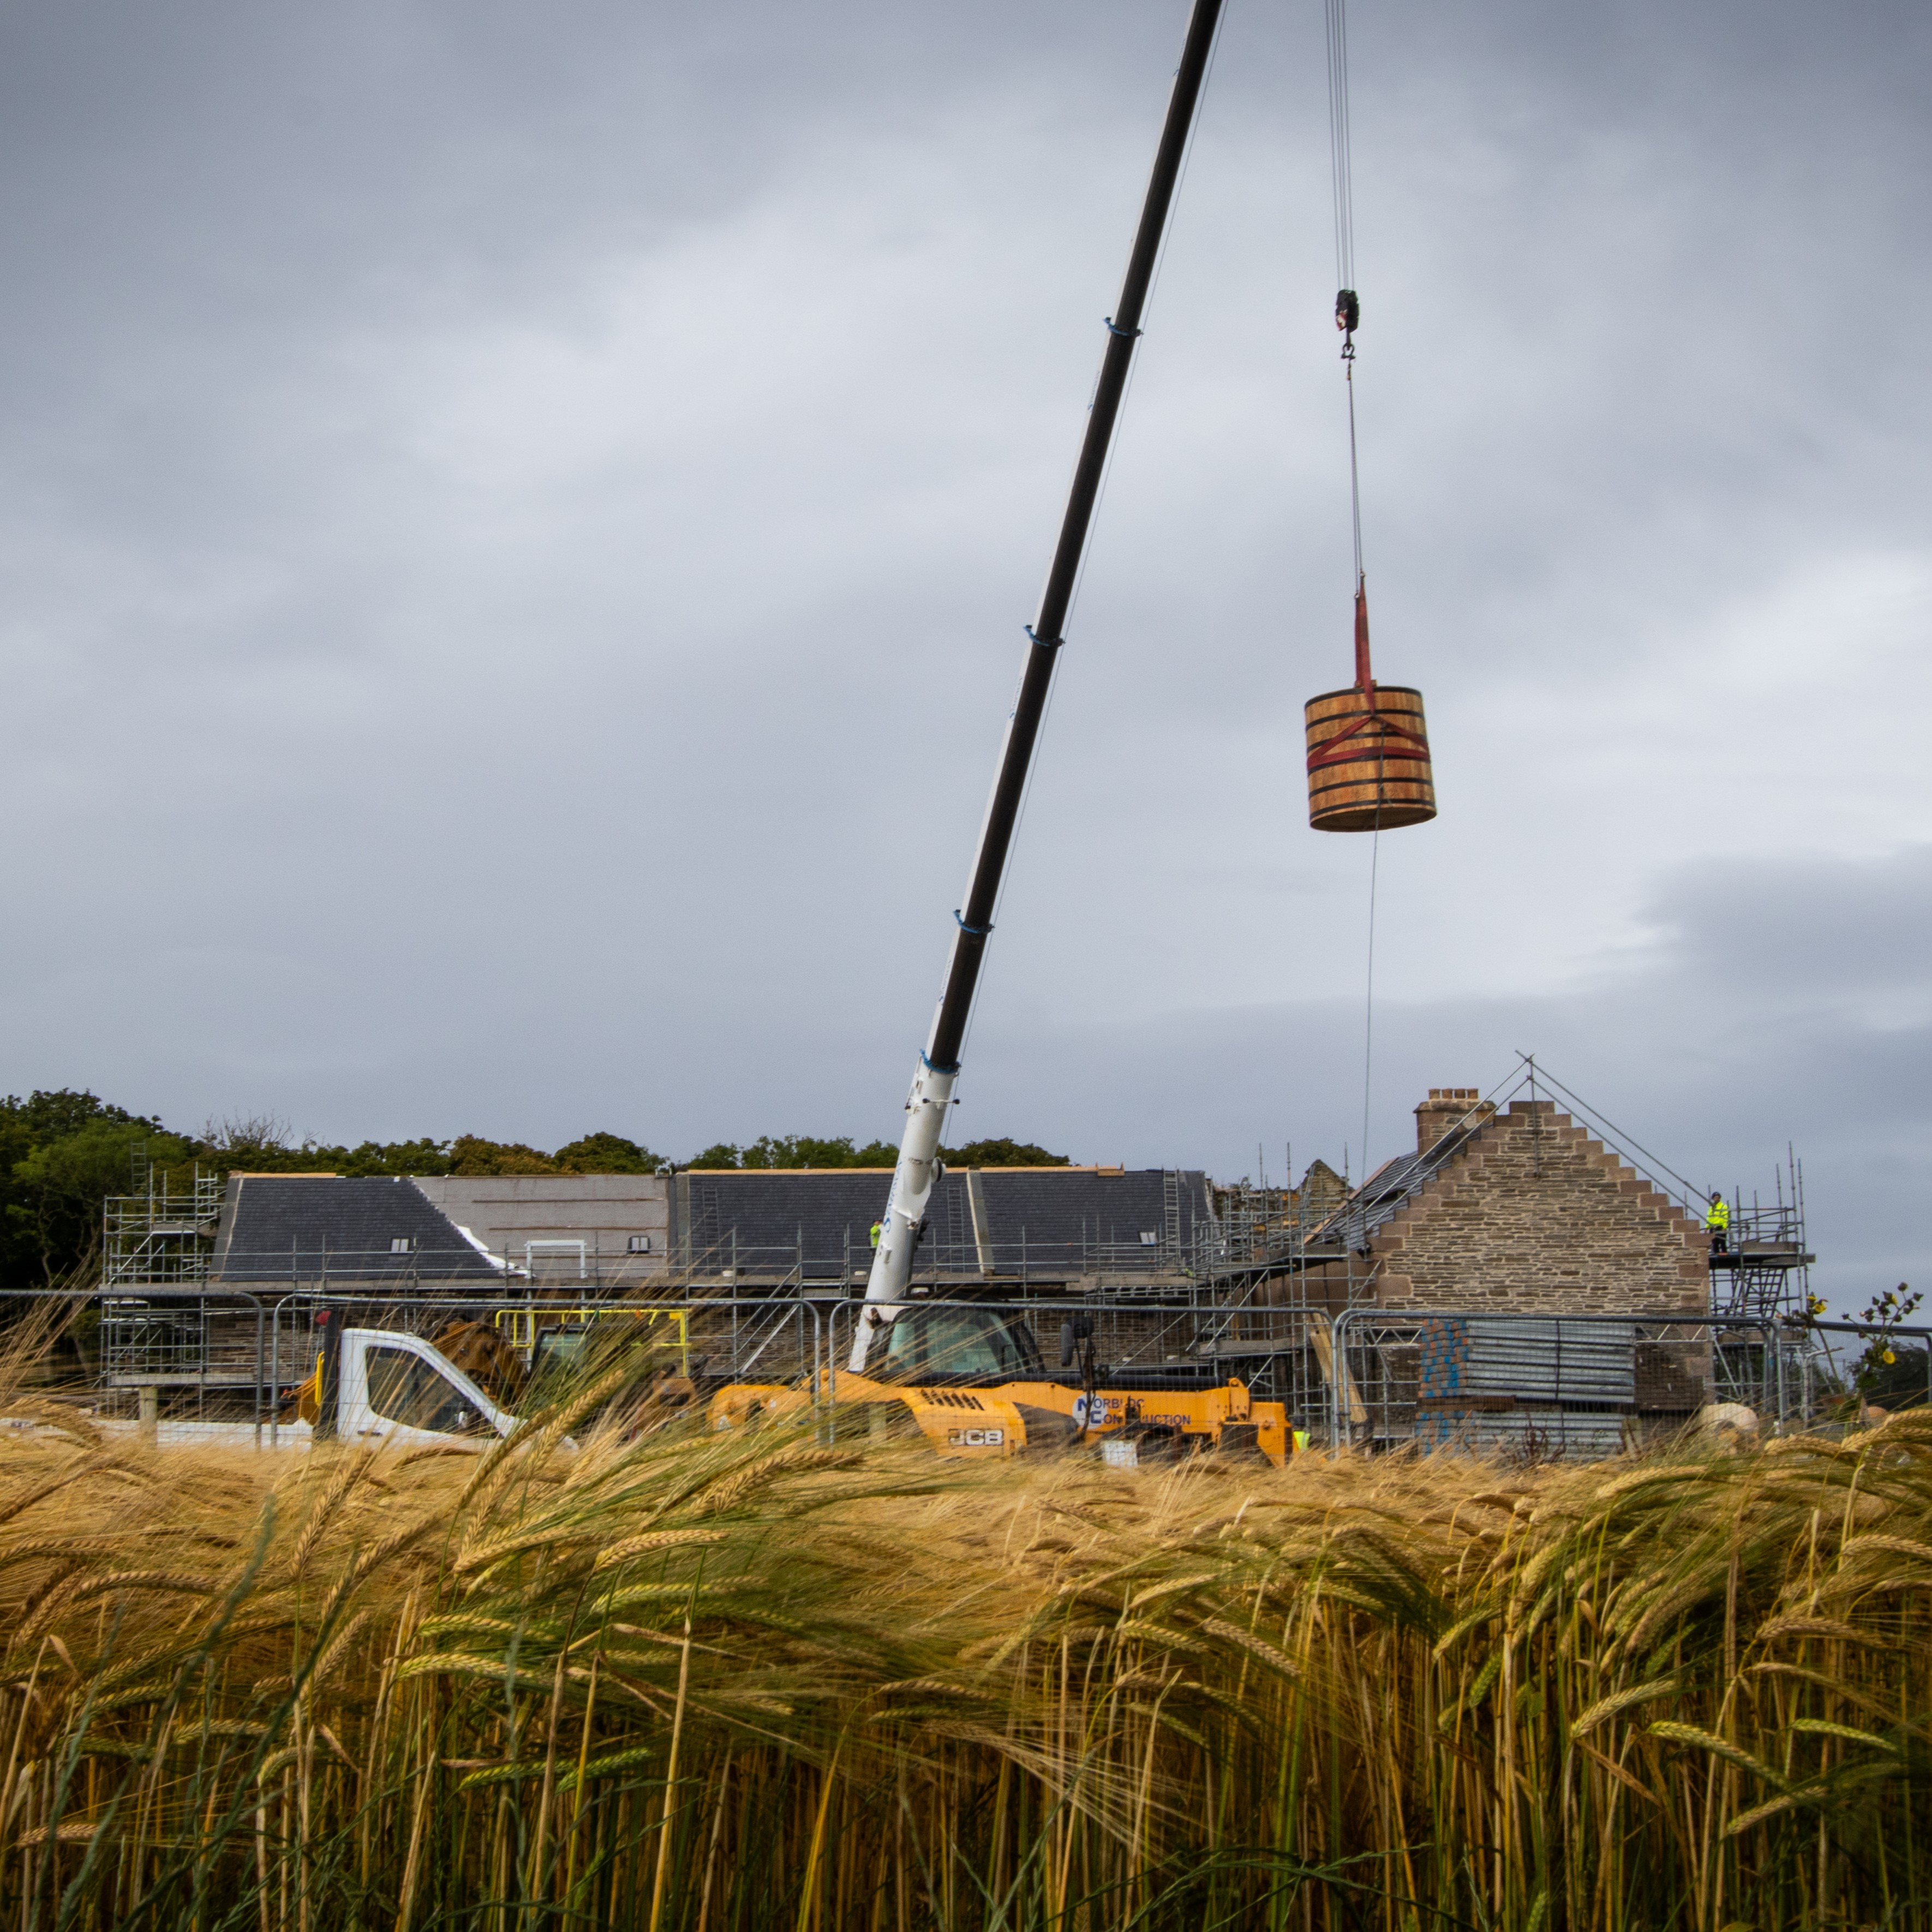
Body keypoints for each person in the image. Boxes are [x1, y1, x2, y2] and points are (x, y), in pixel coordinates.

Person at [1705, 1191, 1730, 1256]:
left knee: (1722, 1241)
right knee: (1714, 1242)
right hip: (1713, 1227)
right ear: (1713, 1199)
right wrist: (1707, 1227)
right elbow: (1709, 1218)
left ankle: (1724, 1254)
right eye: (1716, 1198)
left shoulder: (1723, 1206)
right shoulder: (1711, 1208)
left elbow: (1725, 1217)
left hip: (1720, 1226)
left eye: (1718, 1198)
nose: (1717, 1199)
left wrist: (1725, 1227)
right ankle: (1716, 1254)